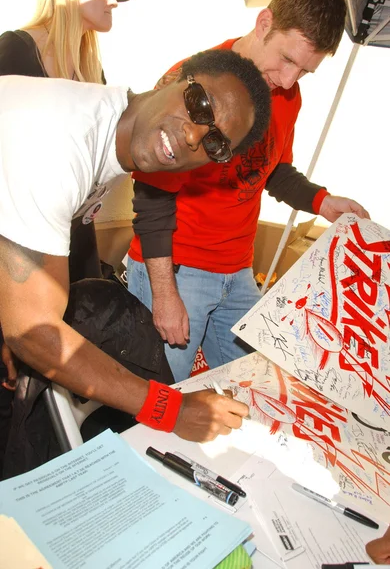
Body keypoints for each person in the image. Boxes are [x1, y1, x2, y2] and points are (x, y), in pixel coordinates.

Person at [0, 48, 271, 446]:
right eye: (200, 104)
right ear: (169, 81)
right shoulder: (63, 139)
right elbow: (35, 331)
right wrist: (171, 409)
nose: (194, 136)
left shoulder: (107, 131)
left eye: (215, 143)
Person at [127, 0, 371, 382]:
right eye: (288, 59)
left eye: (305, 71)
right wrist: (165, 294)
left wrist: (322, 202)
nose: (290, 80)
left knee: (256, 390)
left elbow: (270, 167)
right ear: (263, 24)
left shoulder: (288, 96)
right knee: (161, 403)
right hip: (177, 267)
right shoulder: (192, 80)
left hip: (238, 272)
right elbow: (151, 192)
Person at [0, 0, 140, 472]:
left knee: (54, 399)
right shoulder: (11, 52)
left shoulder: (92, 71)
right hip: (14, 255)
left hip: (73, 251)